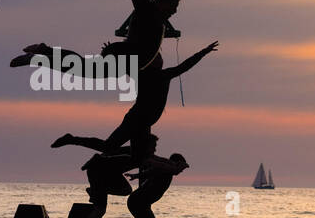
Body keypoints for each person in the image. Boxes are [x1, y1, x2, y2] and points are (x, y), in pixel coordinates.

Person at [8, 0, 180, 76]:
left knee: (82, 65)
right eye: (174, 6)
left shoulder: (152, 10)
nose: (175, 11)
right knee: (81, 67)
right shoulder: (149, 11)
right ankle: (38, 57)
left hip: (125, 60)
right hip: (123, 58)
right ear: (163, 3)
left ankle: (44, 51)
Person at [50, 41, 218, 156]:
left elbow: (183, 67)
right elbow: (184, 66)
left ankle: (106, 161)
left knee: (139, 155)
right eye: (155, 58)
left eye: (158, 57)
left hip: (145, 122)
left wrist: (202, 53)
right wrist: (111, 51)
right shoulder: (144, 73)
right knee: (109, 147)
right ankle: (72, 139)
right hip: (137, 119)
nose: (158, 60)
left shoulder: (161, 74)